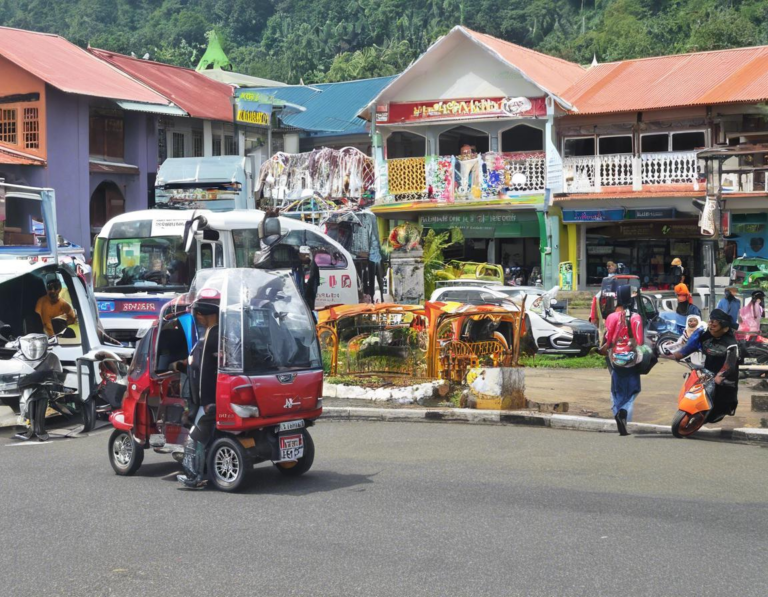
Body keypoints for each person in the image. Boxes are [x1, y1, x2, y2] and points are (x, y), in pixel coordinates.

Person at [172, 288, 220, 489]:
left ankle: (193, 477)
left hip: (209, 400)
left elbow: (203, 369)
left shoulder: (213, 335)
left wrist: (185, 364)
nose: (198, 319)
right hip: (210, 398)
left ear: (201, 315)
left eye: (198, 315)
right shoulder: (215, 333)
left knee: (194, 439)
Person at [672, 309, 739, 421]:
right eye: (710, 322)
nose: (711, 325)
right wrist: (674, 355)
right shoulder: (705, 335)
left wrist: (720, 376)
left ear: (725, 328)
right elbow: (688, 349)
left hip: (724, 375)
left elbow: (730, 364)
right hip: (706, 372)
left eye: (715, 323)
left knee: (721, 401)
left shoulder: (731, 343)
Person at [599, 285, 643, 436]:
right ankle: (623, 411)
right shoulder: (636, 317)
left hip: (615, 358)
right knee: (634, 388)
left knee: (616, 389)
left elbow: (608, 340)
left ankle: (618, 411)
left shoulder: (611, 317)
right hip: (632, 359)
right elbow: (640, 341)